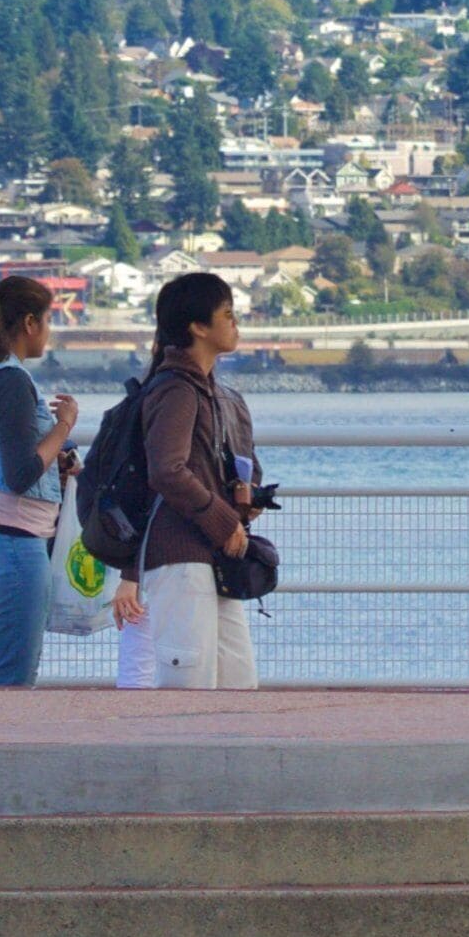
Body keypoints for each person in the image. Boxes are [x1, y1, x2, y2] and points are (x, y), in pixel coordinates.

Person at [0, 275, 78, 687]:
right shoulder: (11, 380)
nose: (48, 332)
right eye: (47, 319)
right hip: (10, 539)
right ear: (28, 323)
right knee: (11, 679)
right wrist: (63, 427)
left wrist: (54, 462)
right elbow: (20, 473)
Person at [136, 271, 263, 689]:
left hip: (216, 556)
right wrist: (224, 520)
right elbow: (167, 470)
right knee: (187, 686)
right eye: (227, 313)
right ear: (198, 326)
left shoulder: (219, 395)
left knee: (237, 682)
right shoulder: (176, 390)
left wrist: (248, 501)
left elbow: (241, 464)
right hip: (180, 553)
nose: (235, 323)